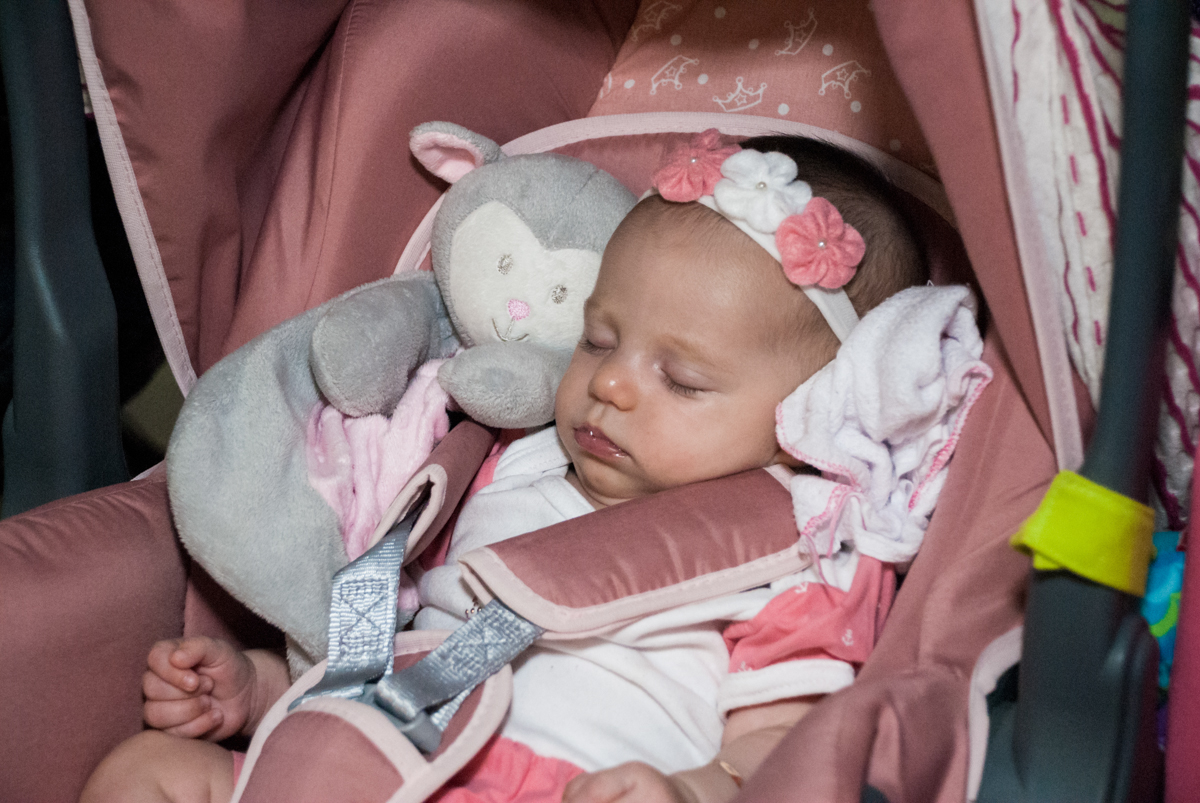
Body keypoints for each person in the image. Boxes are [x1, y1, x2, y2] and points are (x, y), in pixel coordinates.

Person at [81, 133, 933, 803]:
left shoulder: (798, 551)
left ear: (811, 412)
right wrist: (266, 689)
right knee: (146, 771)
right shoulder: (510, 461)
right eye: (599, 338)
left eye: (681, 378)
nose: (608, 381)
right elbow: (405, 636)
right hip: (370, 752)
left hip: (566, 782)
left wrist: (694, 789)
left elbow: (782, 745)